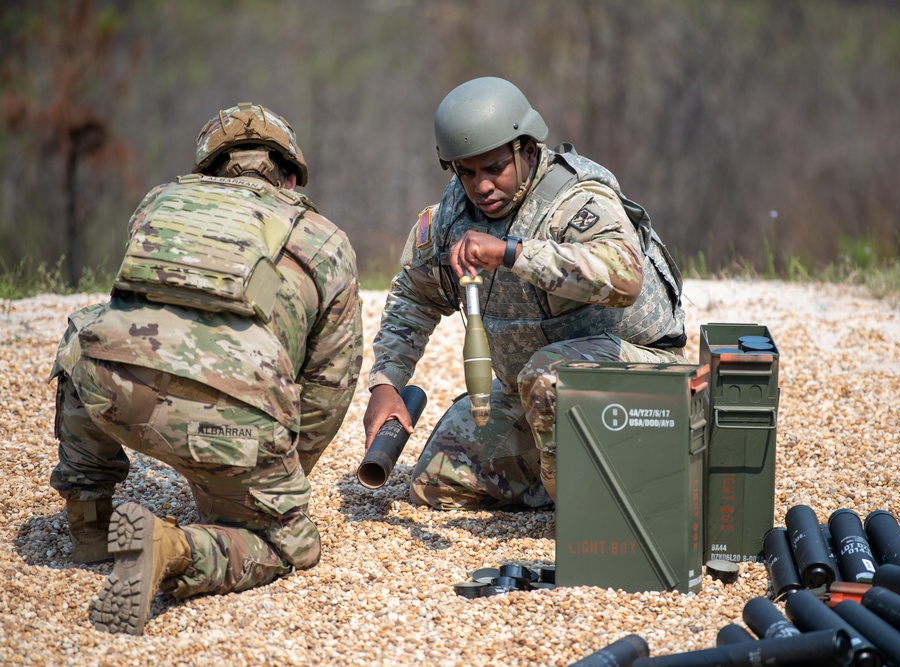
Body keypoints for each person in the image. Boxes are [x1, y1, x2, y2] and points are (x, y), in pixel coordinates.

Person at [48, 103, 363, 635]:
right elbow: (331, 385)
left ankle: (88, 519)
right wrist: (279, 477)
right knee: (289, 547)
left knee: (87, 332)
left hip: (114, 393)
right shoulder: (324, 240)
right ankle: (174, 548)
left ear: (207, 172)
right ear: (289, 176)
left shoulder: (158, 204)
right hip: (236, 417)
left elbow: (128, 316)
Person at [363, 77, 687, 511]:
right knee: (438, 482)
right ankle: (572, 478)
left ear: (528, 149)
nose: (481, 186)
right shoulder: (451, 218)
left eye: (494, 168)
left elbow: (625, 276)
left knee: (550, 375)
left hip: (638, 383)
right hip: (534, 395)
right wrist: (387, 384)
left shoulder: (576, 201)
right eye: (467, 172)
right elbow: (414, 299)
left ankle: (595, 510)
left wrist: (513, 254)